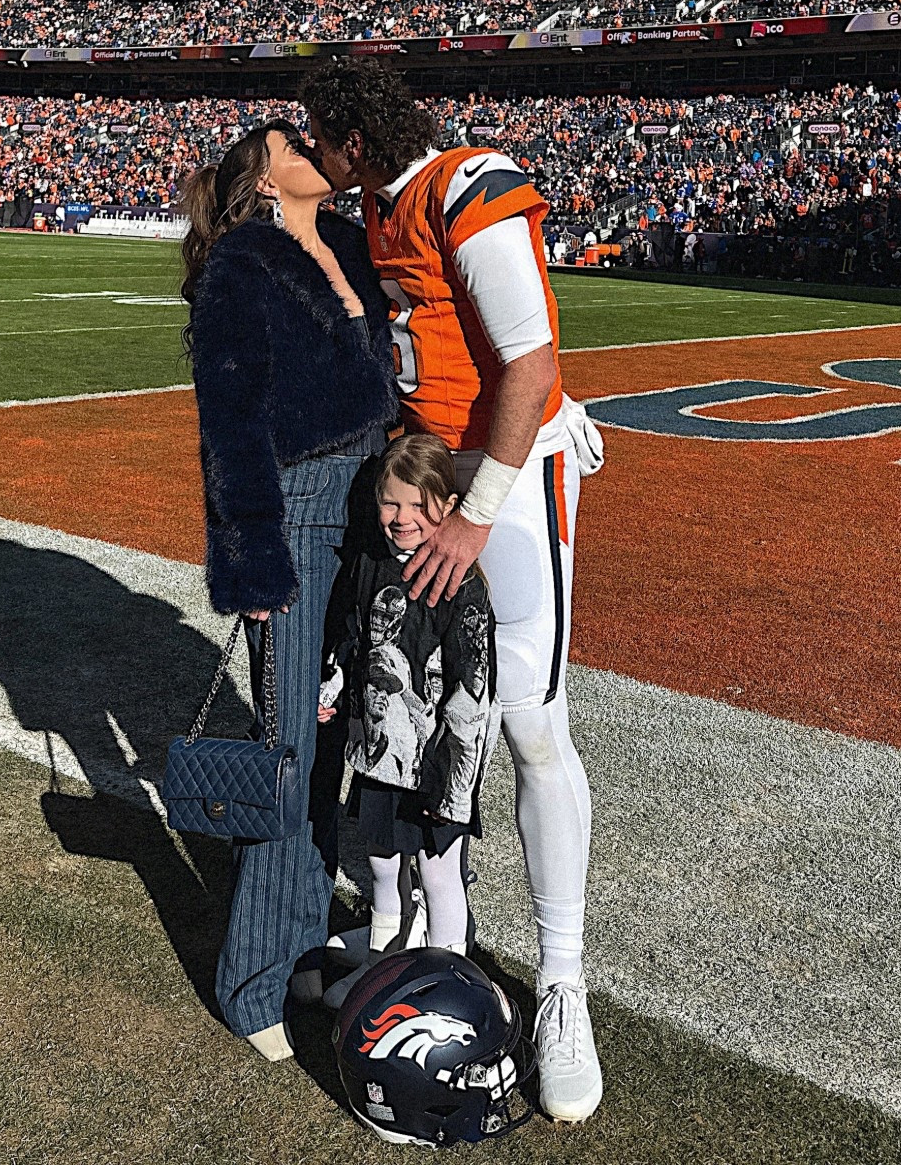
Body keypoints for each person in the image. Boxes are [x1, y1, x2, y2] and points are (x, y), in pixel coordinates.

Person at [303, 60, 605, 1125]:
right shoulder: (391, 209)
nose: (320, 161)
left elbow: (530, 363)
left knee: (529, 719)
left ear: (358, 134)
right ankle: (426, 935)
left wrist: (474, 510)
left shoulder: (466, 183)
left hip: (506, 483)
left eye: (322, 139)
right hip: (433, 479)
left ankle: (561, 983)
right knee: (429, 718)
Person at [181, 119, 395, 1064]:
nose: (313, 147)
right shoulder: (242, 268)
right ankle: (253, 980)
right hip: (299, 509)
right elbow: (227, 422)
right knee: (286, 743)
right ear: (265, 178)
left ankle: (305, 945)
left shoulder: (351, 241)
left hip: (369, 506)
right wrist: (251, 561)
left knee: (334, 739)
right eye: (291, 141)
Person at [317, 433, 498, 1001]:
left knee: (440, 875)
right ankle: (381, 969)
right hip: (379, 756)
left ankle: (448, 985)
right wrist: (338, 683)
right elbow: (358, 639)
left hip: (436, 766)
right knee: (380, 866)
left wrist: (455, 780)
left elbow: (473, 693)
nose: (403, 518)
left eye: (420, 505)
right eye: (391, 503)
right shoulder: (371, 562)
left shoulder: (461, 584)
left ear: (447, 506)